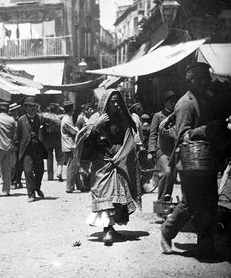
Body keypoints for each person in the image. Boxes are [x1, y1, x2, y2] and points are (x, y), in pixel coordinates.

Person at [160, 63, 231, 259]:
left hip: (205, 160)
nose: (202, 82)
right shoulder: (185, 104)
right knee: (190, 203)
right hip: (190, 162)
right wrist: (208, 129)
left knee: (209, 203)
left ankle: (205, 247)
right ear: (189, 80)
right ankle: (167, 231)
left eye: (204, 78)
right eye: (197, 78)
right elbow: (183, 136)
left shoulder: (204, 99)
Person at [78, 89, 141, 246]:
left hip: (119, 161)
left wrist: (122, 155)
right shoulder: (96, 118)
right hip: (101, 163)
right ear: (104, 102)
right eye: (111, 101)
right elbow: (85, 142)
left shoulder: (122, 118)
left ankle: (110, 228)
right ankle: (107, 230)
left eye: (117, 101)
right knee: (103, 193)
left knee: (117, 196)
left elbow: (129, 138)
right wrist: (97, 126)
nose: (114, 104)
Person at [147, 91, 177, 202]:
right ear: (165, 102)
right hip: (162, 150)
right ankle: (161, 201)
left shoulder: (177, 115)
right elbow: (153, 134)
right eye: (170, 101)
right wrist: (151, 151)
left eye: (174, 101)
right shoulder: (158, 116)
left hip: (174, 150)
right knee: (167, 172)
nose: (173, 103)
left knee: (173, 175)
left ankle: (167, 200)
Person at [17, 97, 47, 202]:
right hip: (27, 149)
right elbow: (18, 136)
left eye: (34, 106)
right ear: (26, 107)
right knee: (28, 171)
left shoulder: (41, 118)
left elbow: (45, 133)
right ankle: (31, 194)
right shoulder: (21, 120)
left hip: (38, 149)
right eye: (30, 106)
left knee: (40, 171)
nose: (32, 108)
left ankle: (37, 187)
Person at [61, 101, 84, 193]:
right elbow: (74, 132)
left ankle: (79, 186)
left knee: (75, 166)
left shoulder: (68, 118)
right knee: (72, 166)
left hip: (70, 145)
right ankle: (69, 187)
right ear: (71, 109)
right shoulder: (66, 119)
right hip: (70, 145)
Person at [42, 103, 64, 182]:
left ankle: (50, 176)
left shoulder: (44, 116)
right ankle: (59, 172)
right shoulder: (59, 118)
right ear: (56, 109)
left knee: (49, 158)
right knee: (60, 158)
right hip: (57, 139)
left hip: (47, 140)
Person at [9, 102, 24, 189]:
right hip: (13, 143)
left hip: (20, 143)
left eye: (17, 110)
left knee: (20, 163)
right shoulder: (11, 120)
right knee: (14, 163)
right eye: (14, 110)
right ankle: (13, 181)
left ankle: (18, 180)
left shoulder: (19, 119)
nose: (16, 111)